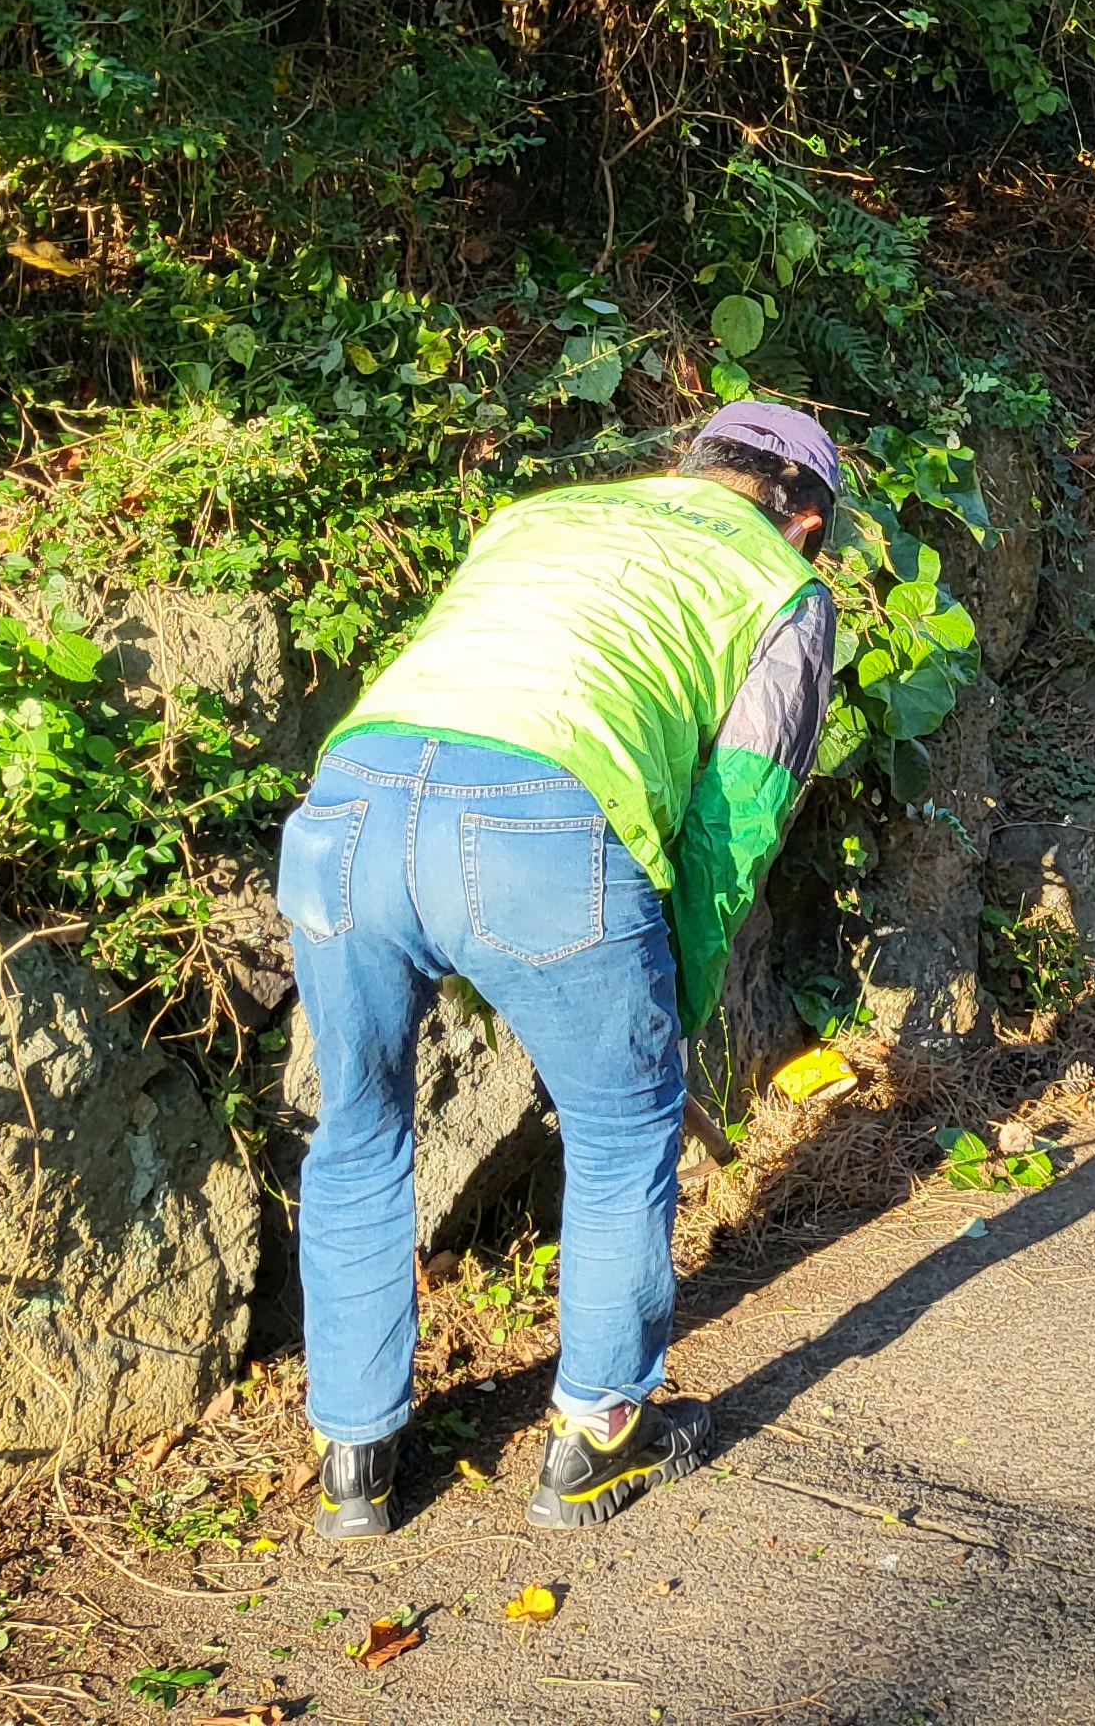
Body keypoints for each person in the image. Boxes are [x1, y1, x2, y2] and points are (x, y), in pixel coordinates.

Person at [277, 400, 847, 1542]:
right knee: (623, 1127)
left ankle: (355, 1459)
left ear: (682, 467)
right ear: (807, 524)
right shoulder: (784, 587)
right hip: (542, 829)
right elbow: (735, 816)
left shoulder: (534, 515)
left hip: (347, 809)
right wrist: (671, 1015)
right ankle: (594, 1441)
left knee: (358, 1130)